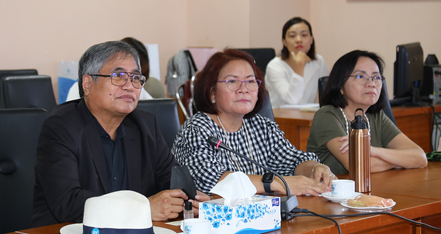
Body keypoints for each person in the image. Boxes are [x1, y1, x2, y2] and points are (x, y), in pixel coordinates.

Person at [32, 41, 207, 226]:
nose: (129, 86)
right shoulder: (61, 127)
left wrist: (191, 200)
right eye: (118, 76)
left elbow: (174, 183)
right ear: (87, 84)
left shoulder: (146, 125)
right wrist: (143, 209)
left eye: (135, 78)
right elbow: (68, 203)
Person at [172, 49, 334, 195]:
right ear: (212, 92)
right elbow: (211, 181)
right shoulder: (197, 130)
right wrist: (278, 183)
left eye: (250, 81)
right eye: (232, 81)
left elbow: (293, 161)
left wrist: (315, 168)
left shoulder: (260, 126)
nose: (244, 89)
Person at [306, 50, 427, 175]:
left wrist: (375, 151)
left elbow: (420, 158)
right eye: (360, 76)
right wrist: (399, 162)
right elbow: (357, 165)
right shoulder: (326, 116)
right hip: (335, 188)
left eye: (376, 77)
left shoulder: (376, 116)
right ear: (340, 86)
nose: (371, 84)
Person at [265, 17, 328, 108]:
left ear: (311, 39)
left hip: (307, 115)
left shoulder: (318, 61)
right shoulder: (274, 66)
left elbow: (328, 92)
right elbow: (292, 100)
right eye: (292, 36)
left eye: (304, 35)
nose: (298, 40)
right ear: (284, 42)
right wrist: (299, 65)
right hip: (280, 116)